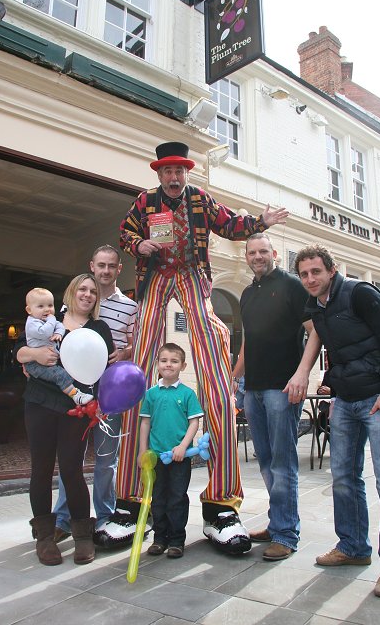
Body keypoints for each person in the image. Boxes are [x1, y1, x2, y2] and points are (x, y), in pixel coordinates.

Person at [116, 141, 290, 554]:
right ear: (159, 174)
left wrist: (259, 222)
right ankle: (128, 500)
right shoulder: (145, 201)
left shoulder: (199, 199)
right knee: (140, 362)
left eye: (180, 171)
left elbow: (230, 224)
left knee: (215, 373)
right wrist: (137, 245)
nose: (174, 177)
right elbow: (124, 232)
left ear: (186, 173)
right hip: (156, 276)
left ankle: (221, 505)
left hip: (193, 275)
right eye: (168, 171)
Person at [295, 244, 380, 598]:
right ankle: (352, 547)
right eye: (304, 274)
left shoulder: (360, 293)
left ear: (332, 270)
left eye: (316, 271)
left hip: (379, 400)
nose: (310, 279)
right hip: (345, 401)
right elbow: (336, 353)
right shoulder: (316, 307)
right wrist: (334, 395)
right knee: (344, 478)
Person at [15, 274, 114, 566]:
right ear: (71, 292)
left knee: (72, 469)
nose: (87, 294)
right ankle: (45, 537)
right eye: (82, 289)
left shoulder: (99, 327)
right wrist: (35, 354)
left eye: (93, 291)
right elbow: (18, 352)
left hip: (78, 407)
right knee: (41, 469)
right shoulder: (46, 316)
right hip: (40, 402)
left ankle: (82, 534)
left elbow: (102, 370)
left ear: (97, 298)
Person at [232, 233, 320, 561]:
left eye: (263, 251)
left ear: (274, 253)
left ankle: (286, 533)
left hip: (282, 388)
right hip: (252, 388)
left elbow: (316, 330)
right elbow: (248, 341)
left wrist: (302, 373)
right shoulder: (247, 292)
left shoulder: (292, 285)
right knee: (266, 461)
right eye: (252, 252)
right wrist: (234, 378)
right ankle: (277, 522)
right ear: (246, 256)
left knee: (283, 462)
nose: (257, 256)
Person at [53, 246, 138, 549]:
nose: (105, 271)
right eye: (100, 265)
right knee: (70, 461)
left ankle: (105, 517)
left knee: (106, 460)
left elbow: (135, 346)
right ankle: (63, 519)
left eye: (111, 266)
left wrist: (125, 352)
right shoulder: (66, 311)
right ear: (92, 266)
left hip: (109, 393)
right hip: (75, 395)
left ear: (118, 269)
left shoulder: (130, 307)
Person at [138, 343, 204, 558]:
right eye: (164, 360)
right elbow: (145, 423)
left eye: (174, 361)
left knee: (176, 497)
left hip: (179, 457)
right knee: (157, 498)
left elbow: (194, 423)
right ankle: (159, 538)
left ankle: (176, 540)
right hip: (156, 457)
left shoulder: (187, 394)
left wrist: (183, 446)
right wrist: (142, 451)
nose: (168, 364)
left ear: (183, 366)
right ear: (157, 364)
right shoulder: (151, 394)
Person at [24, 287, 93, 406]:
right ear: (29, 310)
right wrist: (52, 320)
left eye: (50, 305)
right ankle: (75, 395)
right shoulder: (32, 323)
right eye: (40, 306)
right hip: (35, 364)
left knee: (61, 373)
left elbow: (60, 327)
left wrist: (58, 333)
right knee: (59, 374)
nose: (47, 309)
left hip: (49, 361)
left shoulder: (49, 321)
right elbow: (43, 332)